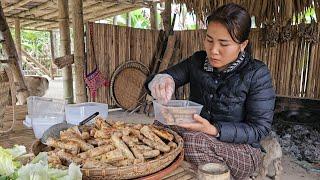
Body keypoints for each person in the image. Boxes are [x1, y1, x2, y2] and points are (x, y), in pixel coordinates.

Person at [145, 3, 276, 180]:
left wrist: (214, 130)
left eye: (224, 43)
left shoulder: (256, 74)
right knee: (160, 125)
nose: (213, 50)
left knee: (194, 141)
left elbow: (259, 129)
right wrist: (161, 80)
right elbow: (168, 76)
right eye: (209, 40)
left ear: (242, 44)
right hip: (199, 134)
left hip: (242, 150)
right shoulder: (197, 61)